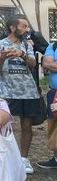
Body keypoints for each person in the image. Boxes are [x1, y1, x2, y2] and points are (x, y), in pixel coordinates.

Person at [0, 14, 39, 174]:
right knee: (3, 125)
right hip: (7, 92)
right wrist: (3, 57)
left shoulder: (27, 45)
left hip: (28, 92)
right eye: (24, 26)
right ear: (13, 28)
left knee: (26, 126)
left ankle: (24, 159)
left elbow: (33, 65)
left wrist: (22, 54)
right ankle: (4, 158)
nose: (27, 29)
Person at [39, 39, 57, 168]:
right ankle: (56, 160)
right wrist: (50, 64)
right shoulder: (53, 46)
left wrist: (53, 64)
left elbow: (52, 65)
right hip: (54, 93)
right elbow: (46, 64)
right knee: (53, 125)